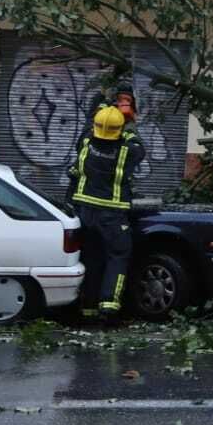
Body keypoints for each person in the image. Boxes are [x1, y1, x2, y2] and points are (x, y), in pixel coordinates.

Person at [66, 105, 146, 318]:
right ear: (119, 129)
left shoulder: (84, 143)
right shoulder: (126, 150)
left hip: (85, 211)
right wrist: (128, 122)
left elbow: (87, 128)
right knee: (118, 256)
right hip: (112, 214)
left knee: (91, 257)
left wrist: (101, 106)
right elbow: (139, 145)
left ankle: (88, 307)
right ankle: (109, 305)